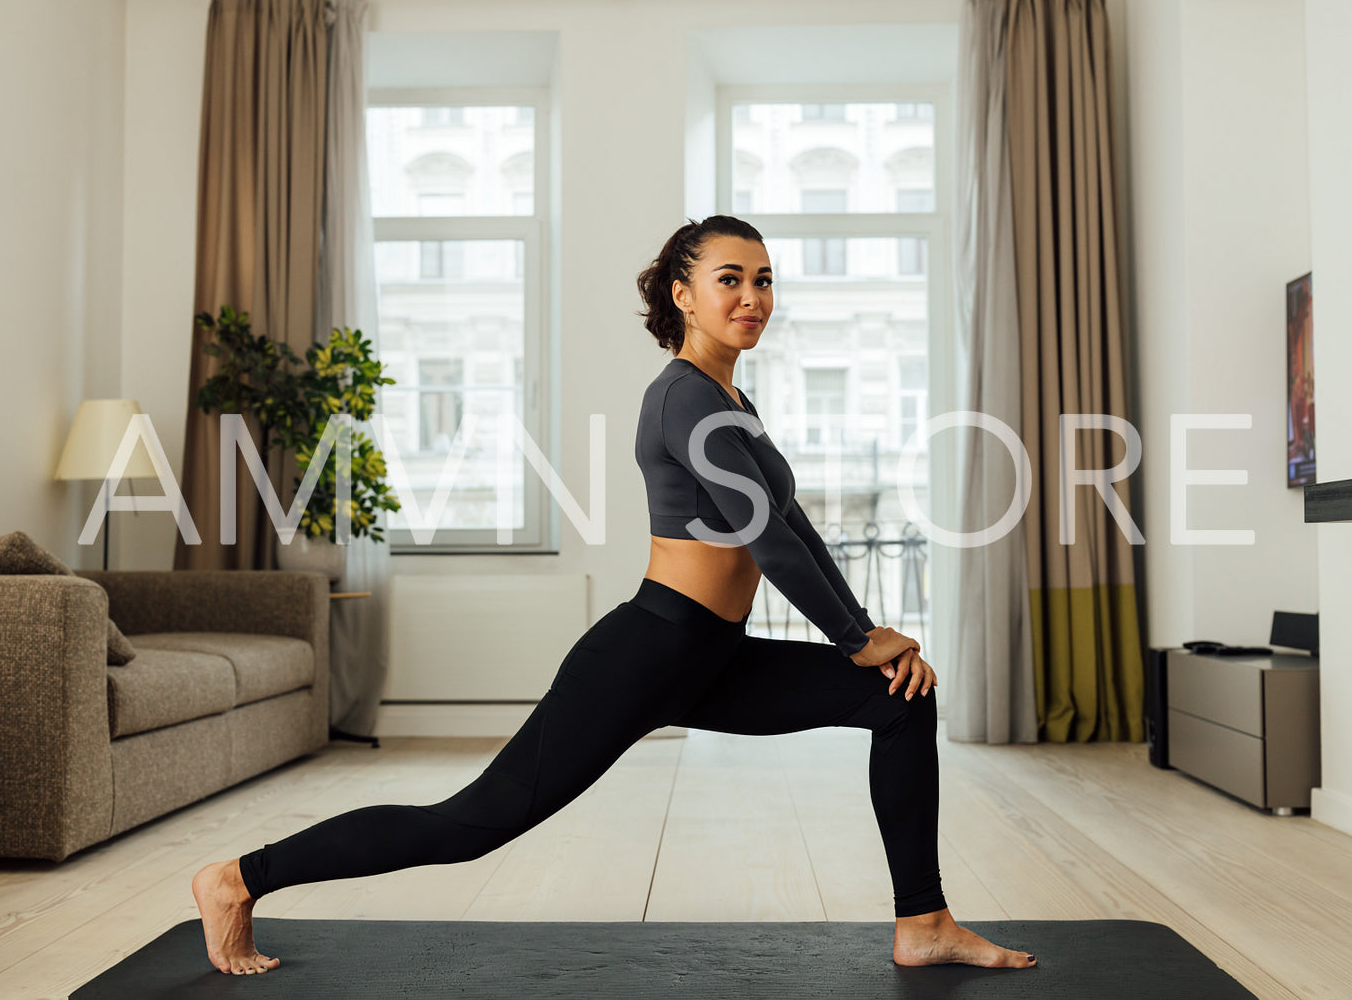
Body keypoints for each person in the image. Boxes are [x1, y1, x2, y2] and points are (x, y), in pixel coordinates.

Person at [190, 214, 1039, 976]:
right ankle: (237, 877)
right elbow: (763, 536)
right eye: (729, 279)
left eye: (764, 278)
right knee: (470, 823)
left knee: (896, 701)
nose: (752, 296)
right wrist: (855, 634)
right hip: (646, 651)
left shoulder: (730, 398)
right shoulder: (679, 397)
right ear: (684, 295)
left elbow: (796, 525)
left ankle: (922, 921)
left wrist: (869, 635)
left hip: (709, 656)